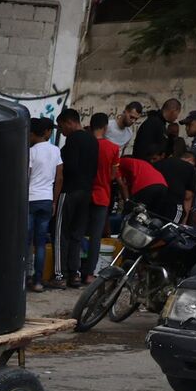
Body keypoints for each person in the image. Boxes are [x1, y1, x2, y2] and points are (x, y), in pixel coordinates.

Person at [57, 109, 100, 288]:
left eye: (61, 127)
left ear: (69, 122)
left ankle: (60, 275)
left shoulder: (73, 139)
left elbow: (69, 167)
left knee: (62, 233)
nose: (61, 132)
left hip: (70, 190)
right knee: (77, 234)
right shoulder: (93, 140)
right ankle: (74, 274)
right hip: (86, 192)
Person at [25, 118, 60, 293]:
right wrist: (54, 200)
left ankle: (24, 279)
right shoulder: (55, 150)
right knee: (40, 243)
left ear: (33, 133)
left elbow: (27, 176)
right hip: (46, 200)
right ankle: (38, 281)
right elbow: (59, 177)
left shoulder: (31, 152)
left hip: (31, 199)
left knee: (26, 242)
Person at [89, 113, 122, 242]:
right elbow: (113, 175)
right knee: (96, 237)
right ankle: (92, 263)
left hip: (84, 194)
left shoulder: (85, 144)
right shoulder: (113, 148)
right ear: (106, 127)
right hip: (102, 195)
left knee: (78, 234)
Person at [153, 138, 196, 220]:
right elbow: (188, 196)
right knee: (171, 229)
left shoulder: (158, 164)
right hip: (174, 206)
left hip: (155, 203)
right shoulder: (189, 168)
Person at [118, 153, 173, 219]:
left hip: (146, 185)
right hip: (163, 186)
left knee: (131, 213)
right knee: (151, 215)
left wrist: (127, 201)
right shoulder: (140, 164)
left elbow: (122, 184)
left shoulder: (120, 161)